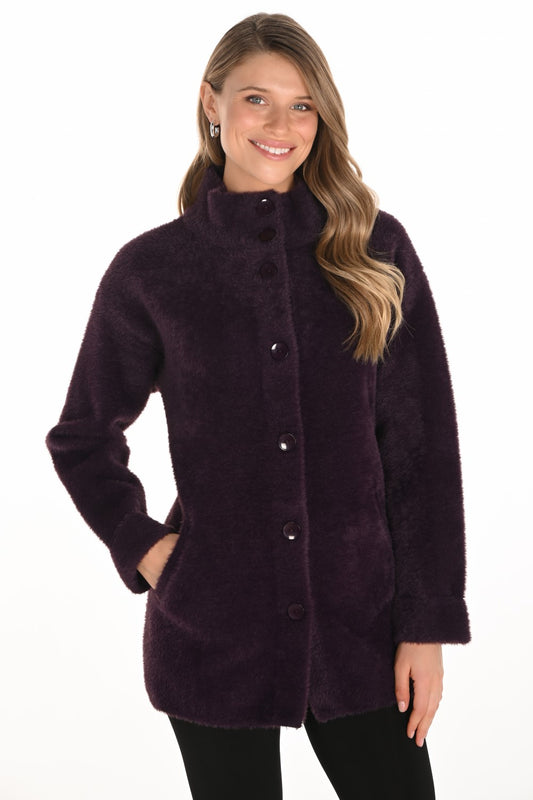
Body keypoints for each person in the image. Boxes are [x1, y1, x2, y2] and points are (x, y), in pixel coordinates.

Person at [46, 12, 470, 800]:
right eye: (256, 100)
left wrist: (427, 623)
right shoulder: (152, 271)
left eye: (301, 105)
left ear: (322, 117)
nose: (280, 126)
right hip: (212, 632)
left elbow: (422, 454)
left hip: (363, 628)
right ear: (211, 103)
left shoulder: (375, 249)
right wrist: (144, 546)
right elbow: (82, 436)